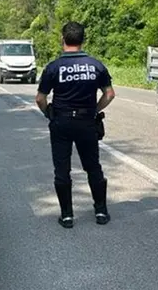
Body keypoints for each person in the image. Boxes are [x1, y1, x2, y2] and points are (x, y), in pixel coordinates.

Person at [35, 21, 116, 228]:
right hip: (86, 122)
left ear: (63, 39)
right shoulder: (96, 65)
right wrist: (94, 111)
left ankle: (67, 215)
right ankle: (101, 212)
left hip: (61, 122)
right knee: (92, 167)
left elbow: (40, 99)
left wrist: (48, 114)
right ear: (83, 40)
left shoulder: (53, 67)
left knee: (62, 170)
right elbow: (109, 94)